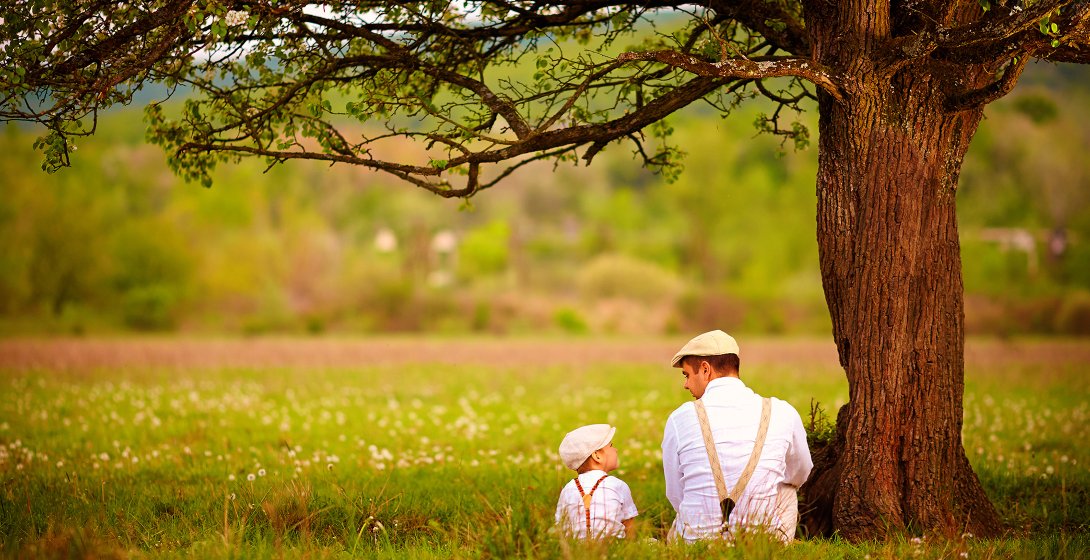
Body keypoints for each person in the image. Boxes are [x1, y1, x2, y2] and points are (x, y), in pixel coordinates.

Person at [661, 330, 812, 542]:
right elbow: (801, 473)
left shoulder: (679, 418)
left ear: (705, 369)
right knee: (787, 487)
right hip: (760, 543)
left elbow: (675, 493)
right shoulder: (782, 411)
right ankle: (774, 546)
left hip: (696, 544)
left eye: (687, 375)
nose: (685, 384)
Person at [555, 424, 639, 539]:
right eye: (611, 446)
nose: (616, 449)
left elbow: (562, 526)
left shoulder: (568, 489)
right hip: (614, 546)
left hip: (576, 550)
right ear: (597, 456)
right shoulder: (617, 485)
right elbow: (630, 527)